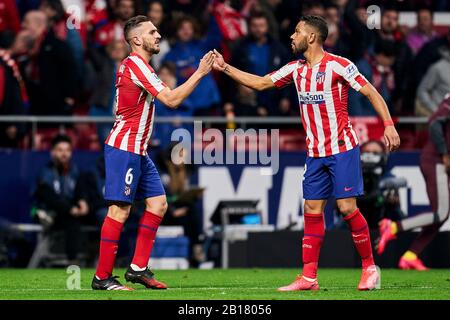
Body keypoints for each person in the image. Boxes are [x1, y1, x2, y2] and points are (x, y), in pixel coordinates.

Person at [212, 15, 400, 291]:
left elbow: (371, 92)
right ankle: (309, 277)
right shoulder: (295, 70)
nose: (292, 36)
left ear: (311, 37)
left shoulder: (339, 66)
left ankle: (370, 268)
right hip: (315, 153)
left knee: (347, 207)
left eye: (297, 32)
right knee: (311, 209)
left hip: (342, 149)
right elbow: (261, 83)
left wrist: (389, 125)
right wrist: (225, 67)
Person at [91, 15, 215, 291]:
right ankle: (102, 277)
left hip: (138, 150)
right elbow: (171, 100)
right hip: (125, 148)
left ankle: (137, 269)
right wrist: (200, 72)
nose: (158, 35)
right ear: (136, 39)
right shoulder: (136, 64)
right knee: (119, 211)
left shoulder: (140, 66)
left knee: (158, 204)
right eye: (152, 32)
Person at [377, 94, 450, 270]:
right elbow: (434, 124)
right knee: (440, 213)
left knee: (440, 216)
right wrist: (445, 154)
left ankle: (411, 255)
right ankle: (393, 227)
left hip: (439, 160)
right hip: (436, 160)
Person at [32, 135, 91, 263]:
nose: (64, 154)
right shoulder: (45, 172)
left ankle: (94, 260)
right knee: (71, 220)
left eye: (67, 150)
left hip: (69, 212)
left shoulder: (75, 171)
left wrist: (83, 202)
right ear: (52, 152)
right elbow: (49, 197)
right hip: (48, 211)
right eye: (60, 150)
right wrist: (71, 209)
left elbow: (80, 191)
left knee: (97, 215)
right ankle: (73, 261)